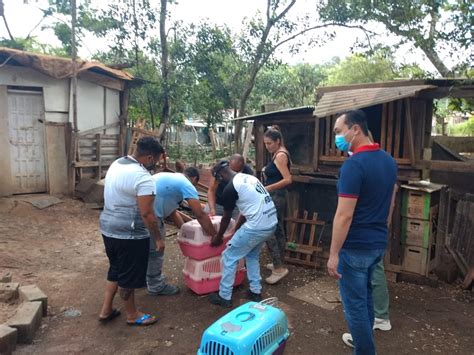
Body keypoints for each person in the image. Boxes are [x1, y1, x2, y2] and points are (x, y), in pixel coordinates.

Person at [327, 109, 397, 355]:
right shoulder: (388, 160)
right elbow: (391, 199)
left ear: (355, 129)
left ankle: (365, 351)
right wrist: (383, 226)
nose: (336, 137)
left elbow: (344, 215)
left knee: (354, 305)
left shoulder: (354, 165)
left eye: (338, 131)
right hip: (377, 243)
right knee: (366, 296)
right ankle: (362, 343)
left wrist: (334, 253)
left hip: (355, 246)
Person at [98, 136, 165, 326]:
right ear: (150, 157)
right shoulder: (143, 178)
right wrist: (158, 238)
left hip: (108, 226)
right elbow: (147, 214)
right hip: (129, 233)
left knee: (116, 269)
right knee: (128, 276)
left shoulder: (118, 163)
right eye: (157, 160)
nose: (157, 164)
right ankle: (132, 314)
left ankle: (106, 309)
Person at [208, 160, 278, 308]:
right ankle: (255, 291)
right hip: (270, 224)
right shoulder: (248, 178)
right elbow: (246, 210)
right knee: (251, 255)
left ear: (220, 176)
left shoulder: (230, 189)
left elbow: (226, 217)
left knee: (229, 255)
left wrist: (219, 236)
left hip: (256, 227)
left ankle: (224, 296)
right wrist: (236, 230)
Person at [147, 167, 217, 295]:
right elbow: (200, 214)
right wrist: (214, 235)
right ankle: (155, 285)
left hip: (139, 212)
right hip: (151, 217)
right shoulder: (186, 184)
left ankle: (146, 277)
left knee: (146, 248)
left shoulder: (170, 178)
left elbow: (173, 212)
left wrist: (185, 233)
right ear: (194, 179)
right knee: (156, 251)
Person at [262, 126, 292, 284]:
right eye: (265, 143)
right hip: (277, 196)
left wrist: (268, 187)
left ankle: (278, 268)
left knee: (269, 230)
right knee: (278, 228)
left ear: (277, 141)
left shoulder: (280, 155)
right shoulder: (279, 153)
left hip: (276, 196)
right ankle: (278, 263)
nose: (267, 146)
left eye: (269, 143)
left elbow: (288, 179)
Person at [206, 154, 253, 219]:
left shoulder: (248, 173)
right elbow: (211, 191)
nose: (233, 174)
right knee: (206, 219)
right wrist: (212, 209)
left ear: (242, 167)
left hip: (236, 206)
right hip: (217, 203)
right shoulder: (220, 169)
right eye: (231, 171)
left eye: (237, 172)